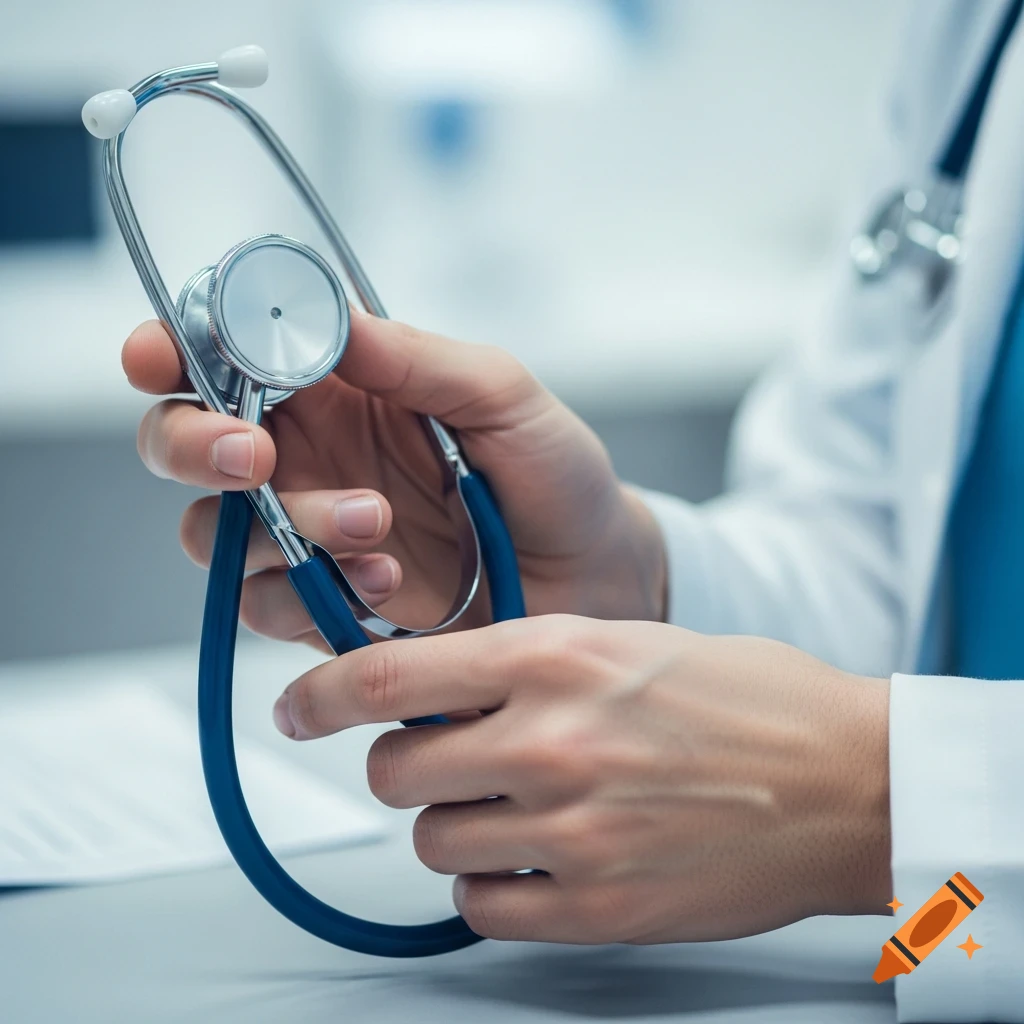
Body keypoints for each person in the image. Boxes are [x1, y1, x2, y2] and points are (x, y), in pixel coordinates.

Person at [120, 1, 1024, 1019]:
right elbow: (893, 549)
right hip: (941, 935)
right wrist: (625, 584)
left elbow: (880, 760)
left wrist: (883, 793)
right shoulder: (969, 26)